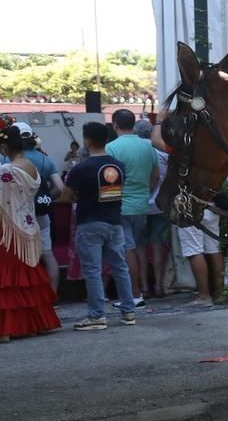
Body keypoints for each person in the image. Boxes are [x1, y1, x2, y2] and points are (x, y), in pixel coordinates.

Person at [60, 121, 137, 330]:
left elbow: (65, 196)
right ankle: (128, 311)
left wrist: (79, 196)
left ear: (87, 140)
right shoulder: (118, 166)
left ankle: (96, 316)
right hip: (115, 221)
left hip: (90, 222)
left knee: (93, 270)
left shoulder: (81, 168)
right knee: (120, 268)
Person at [0, 125, 62, 341]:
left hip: (9, 229)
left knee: (8, 279)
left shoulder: (7, 171)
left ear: (5, 147)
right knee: (27, 276)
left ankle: (6, 329)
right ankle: (34, 323)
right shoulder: (33, 166)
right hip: (29, 225)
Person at [105, 108, 160, 306]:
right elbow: (155, 176)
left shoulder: (111, 147)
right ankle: (137, 291)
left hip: (121, 206)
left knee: (127, 251)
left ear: (115, 125)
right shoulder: (148, 147)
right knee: (135, 248)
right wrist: (143, 191)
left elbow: (109, 180)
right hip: (142, 204)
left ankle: (134, 295)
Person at [13, 121, 64, 297]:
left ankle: (25, 298)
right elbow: (60, 187)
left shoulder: (7, 158)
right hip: (41, 214)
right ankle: (52, 296)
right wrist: (46, 197)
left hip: (16, 215)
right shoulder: (44, 159)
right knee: (48, 255)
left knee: (20, 257)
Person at [133, 118, 172, 297]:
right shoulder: (163, 154)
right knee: (158, 246)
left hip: (138, 206)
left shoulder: (135, 153)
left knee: (140, 248)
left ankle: (143, 287)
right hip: (159, 206)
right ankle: (159, 285)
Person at [176, 196, 226, 307]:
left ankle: (204, 295)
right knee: (214, 249)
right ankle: (220, 293)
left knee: (194, 251)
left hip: (189, 208)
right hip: (211, 206)